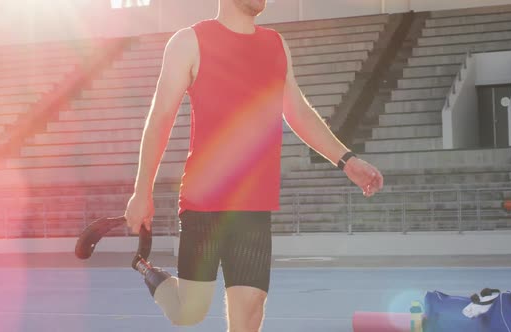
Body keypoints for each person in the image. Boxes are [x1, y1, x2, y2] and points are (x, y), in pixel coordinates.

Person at [124, 0, 384, 331]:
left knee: (250, 308)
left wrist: (346, 160)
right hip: (205, 202)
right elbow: (161, 117)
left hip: (254, 204)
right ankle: (149, 272)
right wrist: (141, 191)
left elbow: (298, 112)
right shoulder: (189, 41)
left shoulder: (275, 44)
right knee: (189, 312)